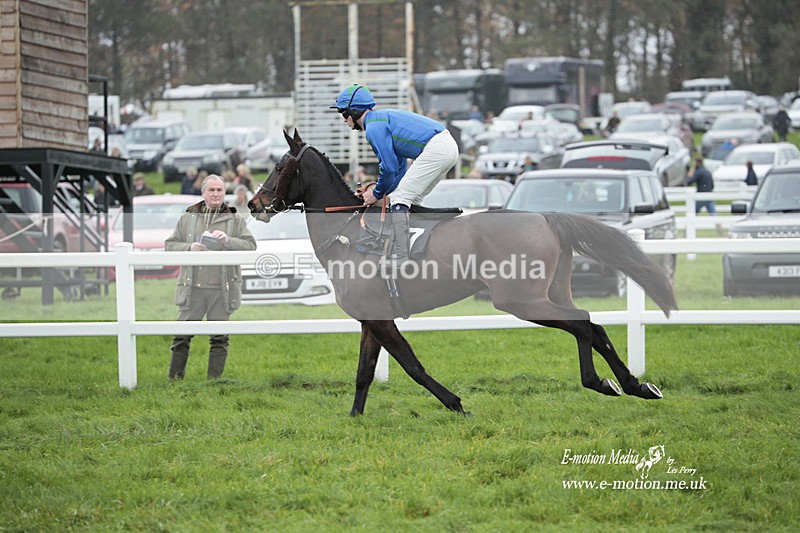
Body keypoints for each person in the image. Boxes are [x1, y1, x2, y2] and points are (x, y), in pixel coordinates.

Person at [331, 83, 459, 265]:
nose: (344, 120)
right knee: (410, 199)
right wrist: (381, 193)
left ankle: (401, 256)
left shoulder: (373, 128)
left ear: (354, 111)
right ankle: (420, 248)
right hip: (446, 147)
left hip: (437, 148)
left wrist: (375, 194)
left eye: (344, 113)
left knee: (401, 198)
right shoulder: (379, 120)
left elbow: (389, 168)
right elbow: (398, 170)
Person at [164, 174, 256, 380]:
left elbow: (251, 246)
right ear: (203, 192)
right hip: (192, 289)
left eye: (220, 190)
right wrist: (190, 248)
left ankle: (214, 383)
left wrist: (228, 241)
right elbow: (169, 245)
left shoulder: (236, 219)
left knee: (219, 338)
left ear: (225, 193)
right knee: (181, 337)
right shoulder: (187, 218)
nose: (216, 194)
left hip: (222, 290)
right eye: (211, 190)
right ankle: (174, 380)